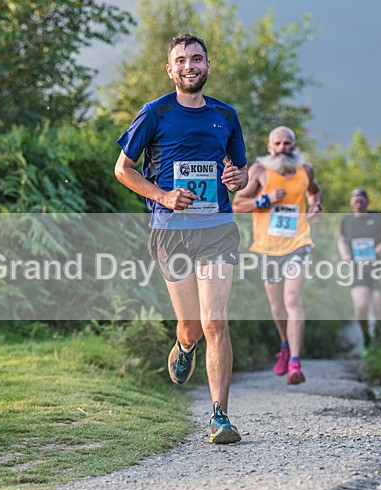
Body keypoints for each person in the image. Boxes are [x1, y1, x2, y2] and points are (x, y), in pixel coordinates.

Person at [114, 34, 248, 444]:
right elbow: (123, 170)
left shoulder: (226, 115)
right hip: (170, 233)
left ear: (208, 65)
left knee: (215, 321)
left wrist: (236, 179)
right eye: (181, 60)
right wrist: (164, 195)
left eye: (197, 59)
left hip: (217, 229)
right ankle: (183, 344)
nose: (190, 66)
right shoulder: (155, 112)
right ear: (170, 70)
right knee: (191, 326)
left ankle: (219, 415)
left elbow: (240, 173)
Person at [233, 126, 322, 385]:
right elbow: (237, 204)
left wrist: (316, 205)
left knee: (292, 299)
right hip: (268, 248)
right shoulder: (260, 171)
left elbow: (314, 191)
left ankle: (295, 362)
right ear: (270, 147)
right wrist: (265, 200)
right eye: (278, 144)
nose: (283, 148)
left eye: (287, 143)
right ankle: (284, 345)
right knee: (276, 306)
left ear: (294, 146)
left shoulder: (306, 169)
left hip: (298, 243)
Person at [337, 188, 381, 355]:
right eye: (355, 200)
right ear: (351, 202)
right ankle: (366, 337)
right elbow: (341, 240)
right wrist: (345, 255)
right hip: (358, 271)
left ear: (367, 202)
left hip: (378, 269)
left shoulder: (378, 217)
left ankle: (378, 336)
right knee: (361, 306)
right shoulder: (347, 221)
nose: (358, 204)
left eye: (361, 200)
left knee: (378, 308)